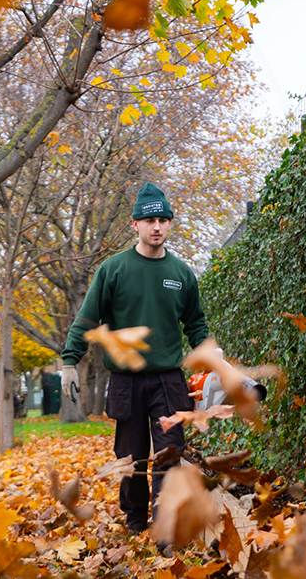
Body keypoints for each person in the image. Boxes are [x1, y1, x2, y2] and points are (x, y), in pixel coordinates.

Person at [60, 182, 209, 540]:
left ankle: (165, 524)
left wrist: (210, 355)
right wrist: (69, 362)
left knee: (170, 454)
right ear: (135, 224)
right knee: (131, 456)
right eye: (149, 221)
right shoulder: (113, 269)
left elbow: (195, 323)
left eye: (163, 220)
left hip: (168, 380)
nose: (157, 227)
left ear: (169, 224)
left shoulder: (181, 273)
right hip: (126, 381)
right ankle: (136, 519)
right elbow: (87, 318)